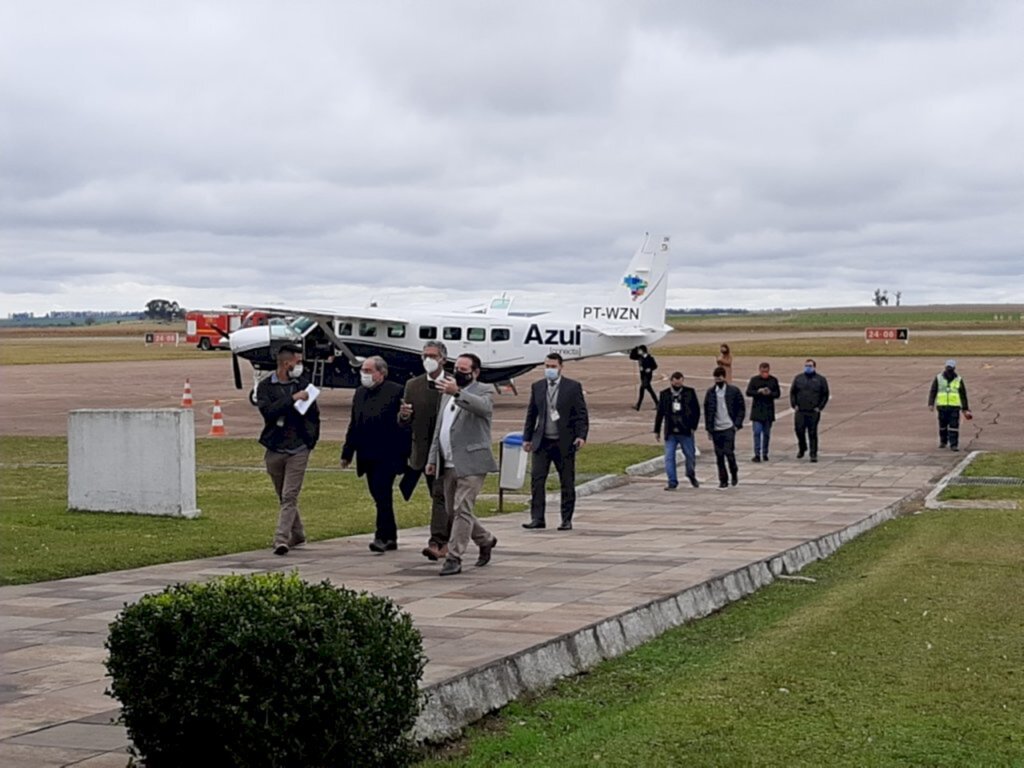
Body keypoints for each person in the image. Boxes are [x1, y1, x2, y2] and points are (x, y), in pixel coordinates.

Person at [425, 353, 499, 576]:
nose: (458, 372)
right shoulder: (446, 393)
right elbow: (440, 428)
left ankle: (454, 557)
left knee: (462, 509)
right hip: (447, 462)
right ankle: (485, 539)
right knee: (452, 511)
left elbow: (484, 408)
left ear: (475, 373)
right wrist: (432, 459)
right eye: (456, 367)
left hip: (472, 461)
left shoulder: (484, 390)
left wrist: (458, 392)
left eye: (464, 370)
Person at [340, 356, 409, 553]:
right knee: (379, 496)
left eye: (369, 371)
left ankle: (382, 536)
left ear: (381, 373)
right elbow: (354, 424)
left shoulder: (396, 391)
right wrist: (347, 452)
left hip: (388, 454)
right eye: (363, 370)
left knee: (382, 494)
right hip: (366, 454)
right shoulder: (360, 393)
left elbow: (404, 424)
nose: (364, 374)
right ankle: (390, 536)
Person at [256, 344, 320, 556]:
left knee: (289, 495)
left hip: (298, 448)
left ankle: (281, 539)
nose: (300, 366)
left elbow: (314, 416)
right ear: (286, 363)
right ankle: (298, 533)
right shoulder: (266, 386)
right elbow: (269, 412)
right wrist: (291, 400)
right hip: (275, 447)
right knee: (282, 494)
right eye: (297, 362)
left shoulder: (304, 384)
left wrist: (310, 440)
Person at [522, 353, 590, 530]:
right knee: (537, 480)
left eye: (553, 366)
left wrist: (581, 435)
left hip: (564, 441)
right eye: (547, 366)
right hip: (542, 441)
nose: (549, 369)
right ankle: (537, 518)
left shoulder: (572, 387)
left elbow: (581, 414)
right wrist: (527, 438)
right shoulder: (538, 387)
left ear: (561, 367)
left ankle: (566, 519)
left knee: (566, 482)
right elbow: (532, 414)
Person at [398, 341, 451, 561]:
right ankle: (472, 537)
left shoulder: (451, 384)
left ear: (443, 359)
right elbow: (404, 422)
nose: (427, 359)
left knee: (441, 497)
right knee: (442, 499)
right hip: (422, 453)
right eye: (424, 355)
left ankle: (437, 541)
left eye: (432, 355)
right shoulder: (413, 385)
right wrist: (404, 415)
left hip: (445, 453)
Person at [654, 371, 701, 489]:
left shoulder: (690, 392)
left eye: (679, 384)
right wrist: (657, 430)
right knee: (669, 457)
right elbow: (660, 413)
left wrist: (693, 427)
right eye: (675, 384)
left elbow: (696, 411)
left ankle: (690, 474)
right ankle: (672, 482)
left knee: (690, 456)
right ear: (671, 382)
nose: (677, 386)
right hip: (670, 431)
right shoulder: (664, 394)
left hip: (686, 431)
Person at [704, 366, 745, 489]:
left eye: (720, 378)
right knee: (719, 455)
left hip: (729, 427)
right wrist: (709, 429)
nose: (718, 380)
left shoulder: (733, 391)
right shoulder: (710, 393)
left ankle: (734, 472)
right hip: (716, 429)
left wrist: (737, 424)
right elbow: (707, 411)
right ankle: (723, 480)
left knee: (729, 452)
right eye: (716, 378)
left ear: (724, 377)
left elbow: (741, 408)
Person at [790, 358, 829, 462]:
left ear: (814, 367)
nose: (808, 368)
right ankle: (802, 447)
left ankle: (813, 453)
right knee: (799, 430)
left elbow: (825, 394)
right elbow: (793, 392)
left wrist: (820, 407)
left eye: (810, 366)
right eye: (806, 366)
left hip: (813, 411)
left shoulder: (820, 379)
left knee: (812, 433)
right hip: (801, 410)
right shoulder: (798, 378)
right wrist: (794, 405)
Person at [928, 359, 972, 451]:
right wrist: (931, 403)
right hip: (942, 406)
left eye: (951, 367)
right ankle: (943, 441)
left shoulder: (958, 379)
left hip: (954, 407)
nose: (949, 369)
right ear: (945, 367)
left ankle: (954, 444)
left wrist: (965, 408)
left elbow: (963, 394)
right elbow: (933, 391)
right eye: (948, 367)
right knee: (942, 426)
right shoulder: (938, 378)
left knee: (954, 426)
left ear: (954, 368)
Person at [745, 362, 781, 462]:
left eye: (766, 371)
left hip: (768, 412)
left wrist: (770, 393)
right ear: (759, 370)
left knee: (766, 434)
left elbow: (777, 394)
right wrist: (758, 392)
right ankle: (757, 453)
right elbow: (748, 392)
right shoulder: (754, 380)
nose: (765, 373)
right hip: (757, 412)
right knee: (757, 432)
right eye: (763, 371)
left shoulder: (773, 380)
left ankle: (765, 452)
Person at [629, 345, 659, 410]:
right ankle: (657, 404)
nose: (639, 352)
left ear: (643, 351)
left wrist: (650, 369)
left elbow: (655, 366)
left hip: (647, 377)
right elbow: (631, 356)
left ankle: (638, 405)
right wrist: (634, 349)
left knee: (642, 390)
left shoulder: (650, 358)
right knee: (649, 391)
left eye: (640, 350)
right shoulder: (640, 357)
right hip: (642, 376)